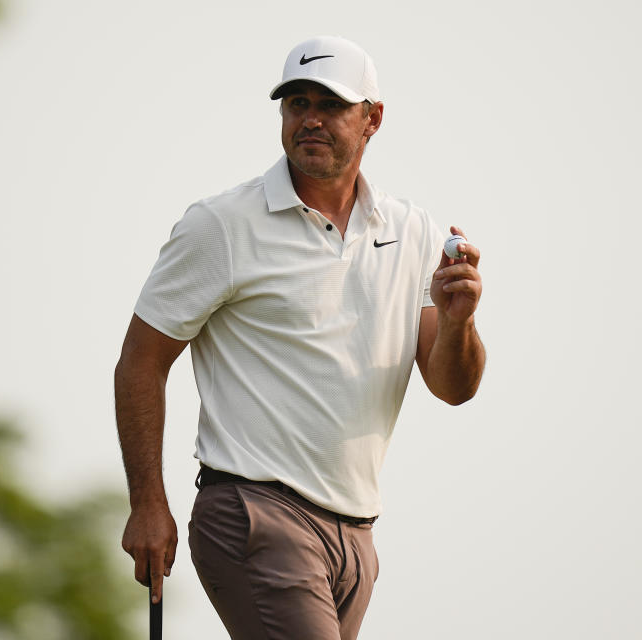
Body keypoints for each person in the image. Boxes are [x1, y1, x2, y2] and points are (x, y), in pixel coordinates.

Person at [115, 35, 485, 640]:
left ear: (372, 119)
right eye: (295, 102)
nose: (309, 118)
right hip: (254, 513)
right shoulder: (222, 225)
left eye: (331, 104)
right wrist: (148, 502)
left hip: (355, 537)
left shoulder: (411, 230)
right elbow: (140, 361)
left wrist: (460, 319)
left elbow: (451, 385)